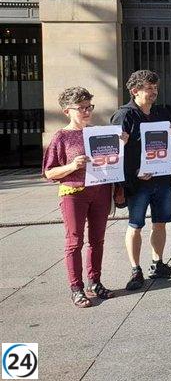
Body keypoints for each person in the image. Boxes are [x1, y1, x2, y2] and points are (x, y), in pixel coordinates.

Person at [43, 87, 128, 307]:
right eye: (81, 107)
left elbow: (112, 161)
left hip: (100, 190)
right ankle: (76, 287)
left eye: (89, 106)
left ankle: (95, 281)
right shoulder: (61, 137)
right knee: (74, 241)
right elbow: (49, 172)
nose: (86, 111)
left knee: (98, 240)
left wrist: (121, 143)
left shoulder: (98, 133)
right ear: (66, 111)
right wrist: (72, 166)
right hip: (74, 193)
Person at [112, 70, 171, 291]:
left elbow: (168, 146)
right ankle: (135, 269)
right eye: (148, 88)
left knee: (160, 222)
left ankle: (157, 263)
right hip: (137, 181)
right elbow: (115, 152)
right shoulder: (124, 115)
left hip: (161, 178)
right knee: (135, 225)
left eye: (155, 88)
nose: (154, 92)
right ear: (135, 91)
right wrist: (134, 173)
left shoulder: (162, 112)